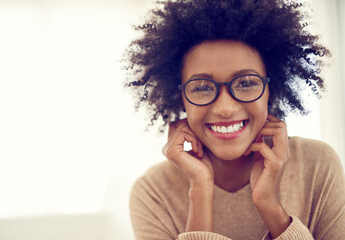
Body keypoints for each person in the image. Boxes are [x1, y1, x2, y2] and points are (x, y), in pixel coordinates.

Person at [123, 0, 345, 239]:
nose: (225, 108)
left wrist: (270, 206)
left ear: (272, 89)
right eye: (201, 88)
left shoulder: (317, 165)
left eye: (247, 83)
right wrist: (199, 189)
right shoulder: (153, 192)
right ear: (181, 98)